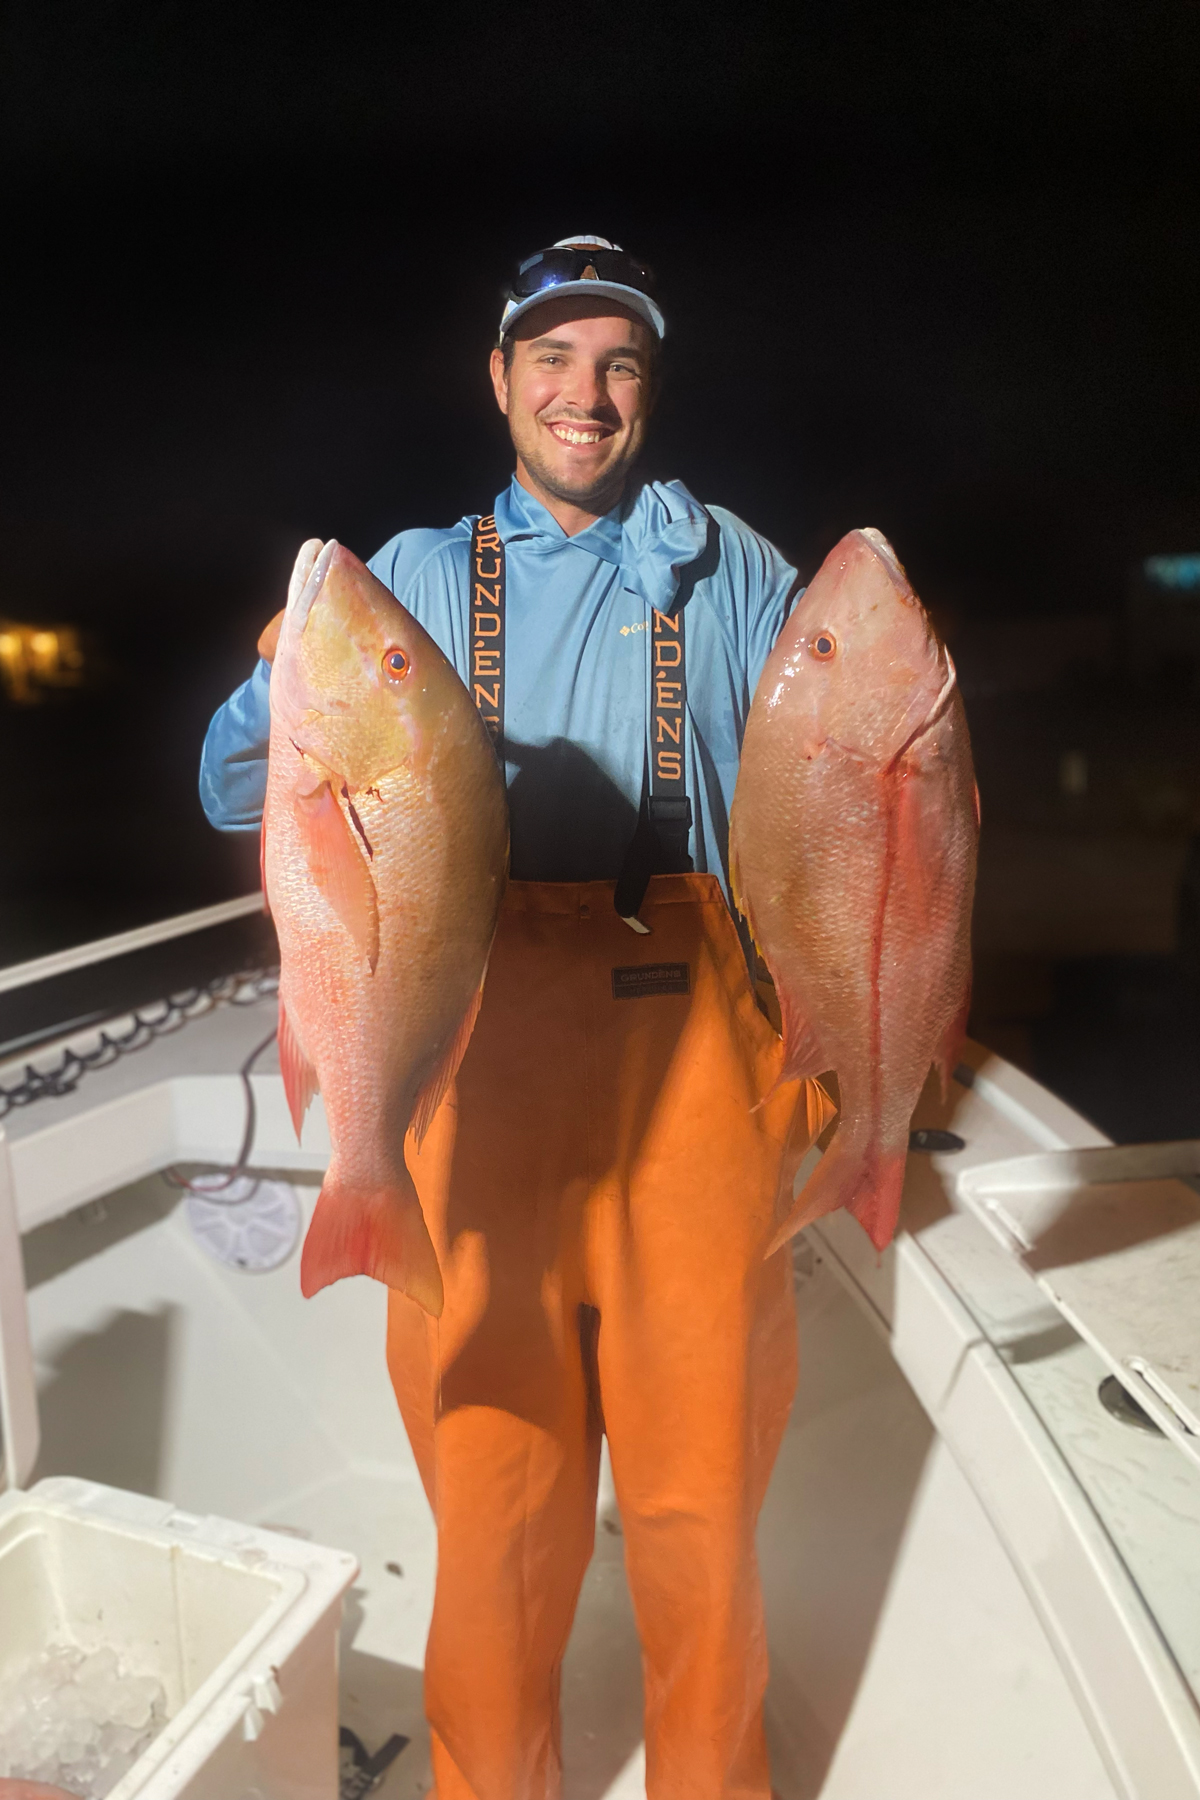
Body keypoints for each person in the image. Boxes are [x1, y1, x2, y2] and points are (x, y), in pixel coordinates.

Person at [200, 235, 833, 1800]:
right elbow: (234, 787)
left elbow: (823, 818)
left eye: (618, 362)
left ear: (649, 391)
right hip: (476, 1058)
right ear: (499, 381)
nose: (585, 392)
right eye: (552, 357)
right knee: (493, 1495)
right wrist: (270, 691)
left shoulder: (737, 567)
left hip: (695, 1049)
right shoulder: (403, 580)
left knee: (699, 1503)